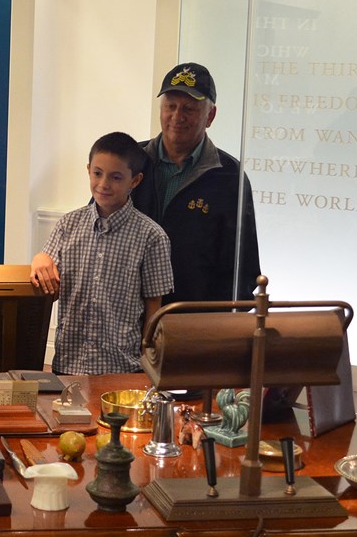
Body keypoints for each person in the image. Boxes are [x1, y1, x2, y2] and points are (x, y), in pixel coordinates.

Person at [31, 132, 174, 375]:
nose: (103, 184)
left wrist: (147, 356)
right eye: (97, 173)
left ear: (135, 181)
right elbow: (46, 275)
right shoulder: (68, 225)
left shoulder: (152, 236)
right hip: (68, 364)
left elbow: (154, 306)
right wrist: (39, 259)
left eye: (116, 177)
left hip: (121, 368)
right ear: (88, 170)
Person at [133, 62, 261, 303]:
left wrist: (215, 330)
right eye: (170, 106)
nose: (176, 116)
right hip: (123, 322)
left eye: (189, 109)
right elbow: (93, 225)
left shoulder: (231, 177)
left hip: (191, 325)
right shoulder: (129, 162)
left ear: (210, 116)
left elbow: (243, 271)